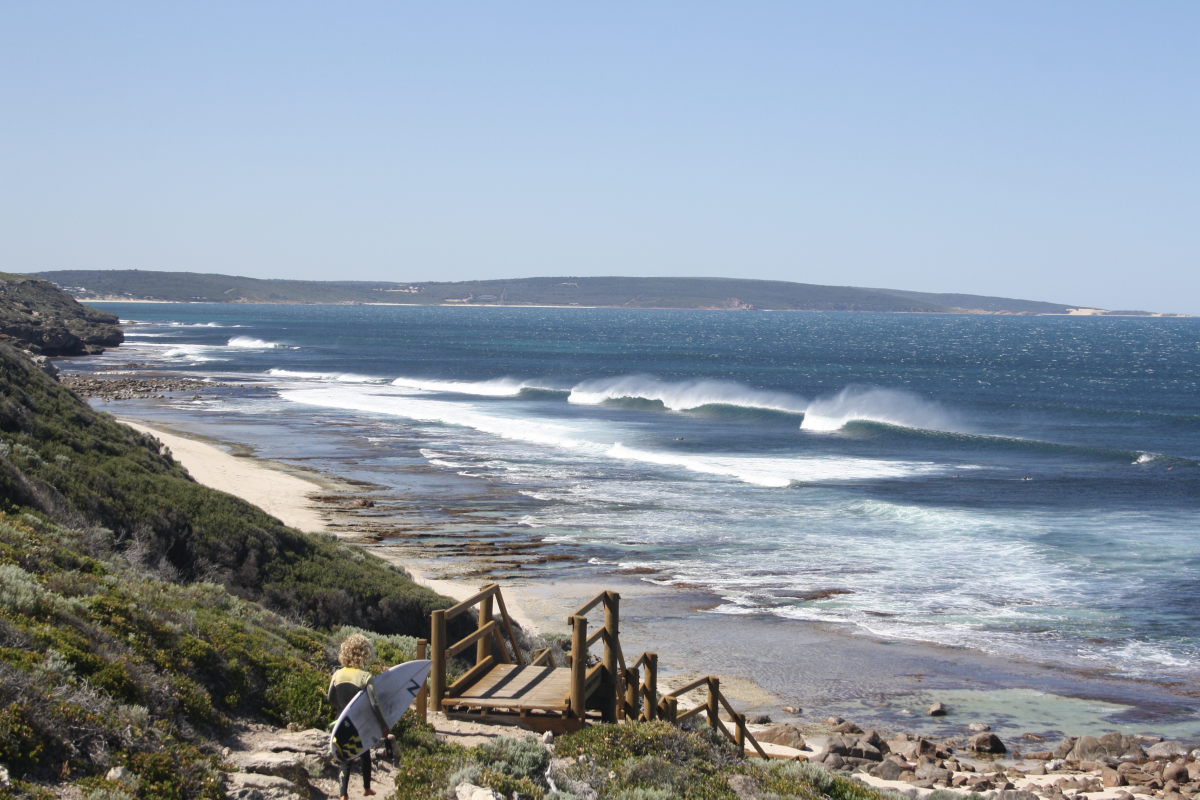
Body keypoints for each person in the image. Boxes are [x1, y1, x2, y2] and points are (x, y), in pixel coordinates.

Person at [328, 633, 376, 799]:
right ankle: (366, 788)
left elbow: (330, 698)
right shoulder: (365, 677)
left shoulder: (337, 675)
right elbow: (374, 704)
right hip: (358, 723)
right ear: (365, 653)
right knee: (364, 752)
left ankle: (343, 794)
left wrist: (342, 708)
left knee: (344, 758)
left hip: (341, 721)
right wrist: (382, 725)